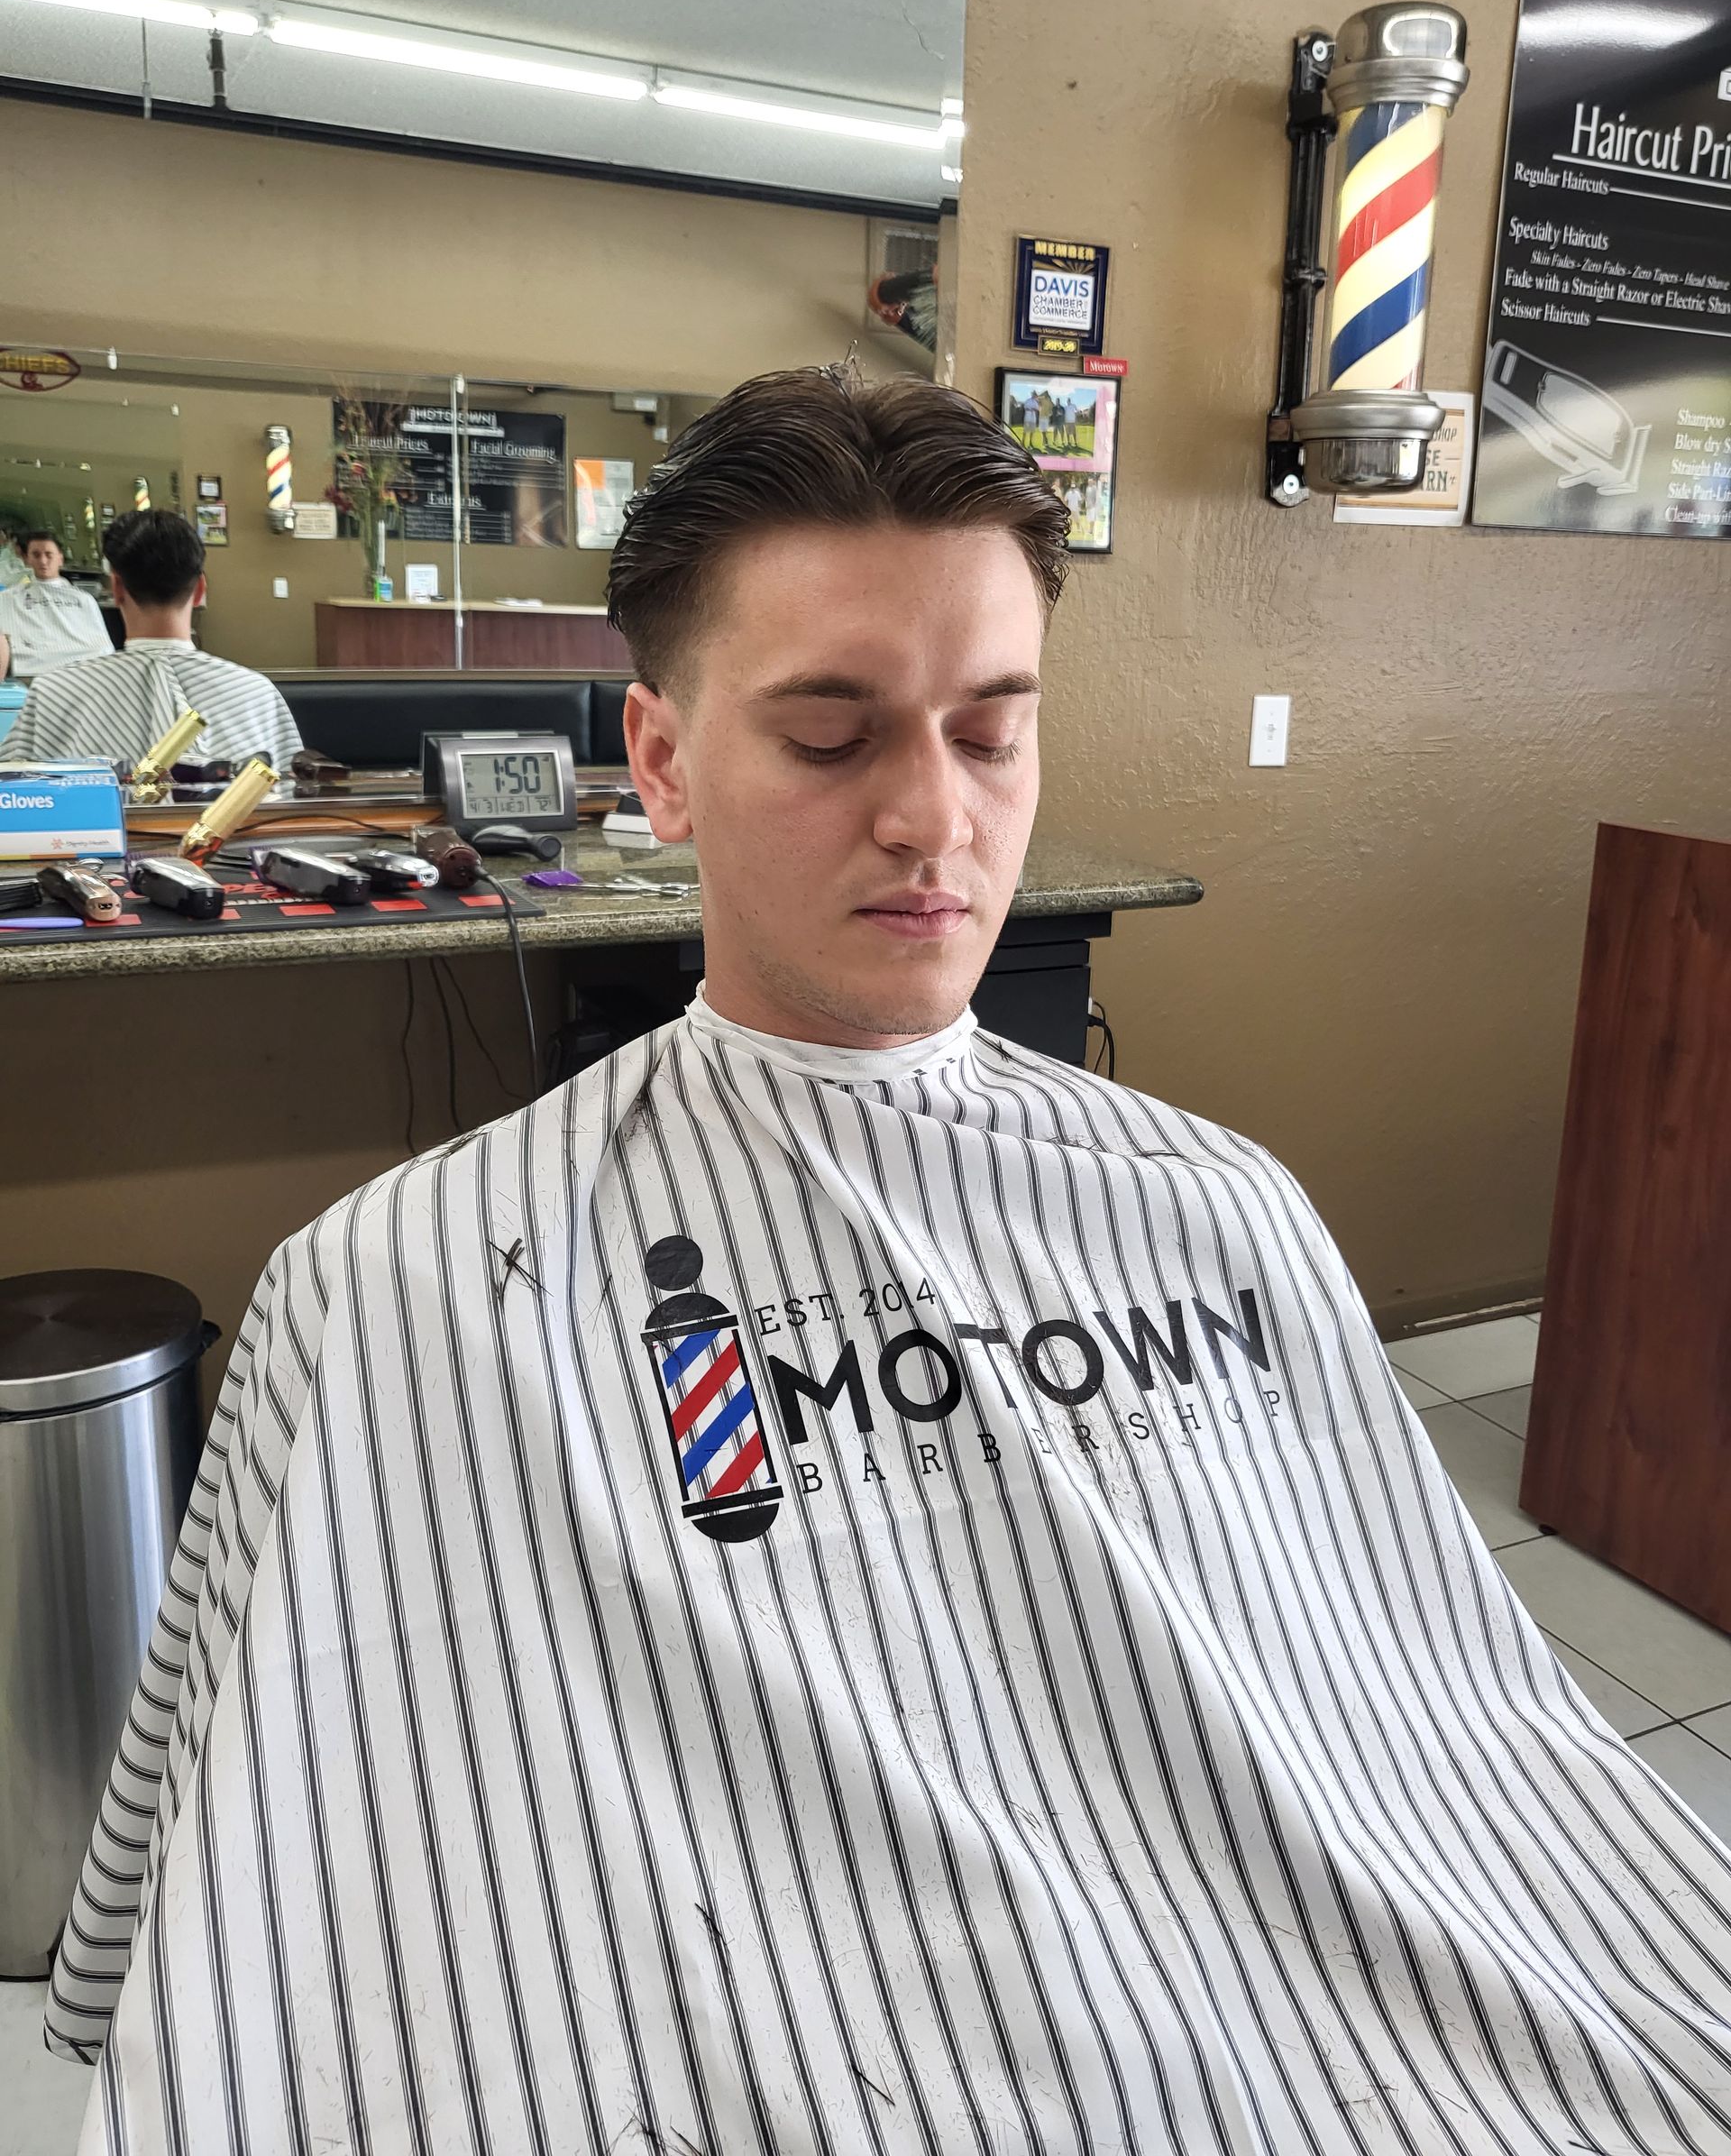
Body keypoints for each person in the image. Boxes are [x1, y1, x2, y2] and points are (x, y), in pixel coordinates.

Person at [49, 366, 1731, 2153]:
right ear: (667, 763)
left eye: (993, 730)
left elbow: (1421, 1704)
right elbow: (272, 1899)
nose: (937, 817)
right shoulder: (396, 1282)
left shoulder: (1221, 1201)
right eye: (833, 736)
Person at [2, 511, 300, 771]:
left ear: (117, 588)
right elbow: (293, 810)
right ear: (200, 591)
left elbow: (13, 802)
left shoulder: (53, 694)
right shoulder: (257, 695)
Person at [0, 527, 113, 681]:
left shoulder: (83, 600)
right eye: (36, 555)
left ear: (60, 557)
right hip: (30, 674)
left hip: (83, 673)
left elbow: (102, 646)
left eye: (49, 555)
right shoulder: (9, 598)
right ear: (27, 559)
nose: (43, 561)